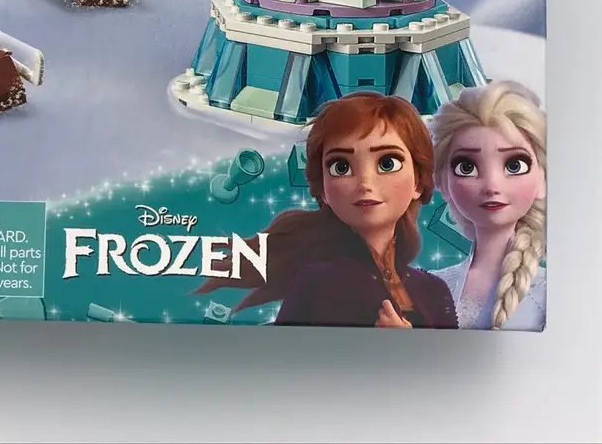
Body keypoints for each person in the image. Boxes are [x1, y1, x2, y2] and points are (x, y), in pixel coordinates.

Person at [197, 92, 458, 328]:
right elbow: (284, 360)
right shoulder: (318, 282)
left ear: (418, 181)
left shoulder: (434, 290)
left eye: (387, 163)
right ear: (323, 189)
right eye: (341, 167)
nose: (365, 183)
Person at [430, 82, 546, 330]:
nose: (492, 186)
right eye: (466, 167)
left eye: (514, 165)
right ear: (443, 182)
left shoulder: (556, 293)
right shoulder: (432, 287)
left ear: (543, 179)